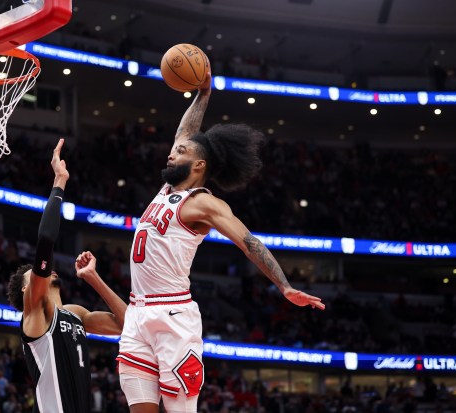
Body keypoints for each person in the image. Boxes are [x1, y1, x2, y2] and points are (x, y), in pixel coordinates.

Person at [116, 73, 325, 413]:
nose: (171, 154)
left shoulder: (203, 203)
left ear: (198, 165)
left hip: (173, 316)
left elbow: (249, 242)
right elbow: (186, 131)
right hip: (137, 313)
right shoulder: (167, 189)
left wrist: (284, 286)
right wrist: (204, 93)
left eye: (179, 152)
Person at [6, 139, 127, 413]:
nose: (46, 273)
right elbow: (46, 238)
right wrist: (59, 181)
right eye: (36, 275)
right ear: (29, 291)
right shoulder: (36, 314)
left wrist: (94, 279)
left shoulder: (75, 315)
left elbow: (127, 324)